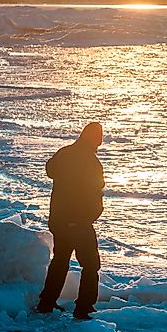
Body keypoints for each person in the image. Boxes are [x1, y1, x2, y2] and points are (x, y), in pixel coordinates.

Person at [36, 122, 105, 320]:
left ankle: (46, 303)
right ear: (94, 138)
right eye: (99, 137)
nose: (101, 141)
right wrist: (91, 215)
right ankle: (84, 308)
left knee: (60, 261)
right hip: (79, 221)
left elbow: (50, 169)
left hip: (58, 219)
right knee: (91, 265)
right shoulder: (91, 162)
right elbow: (96, 190)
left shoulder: (65, 152)